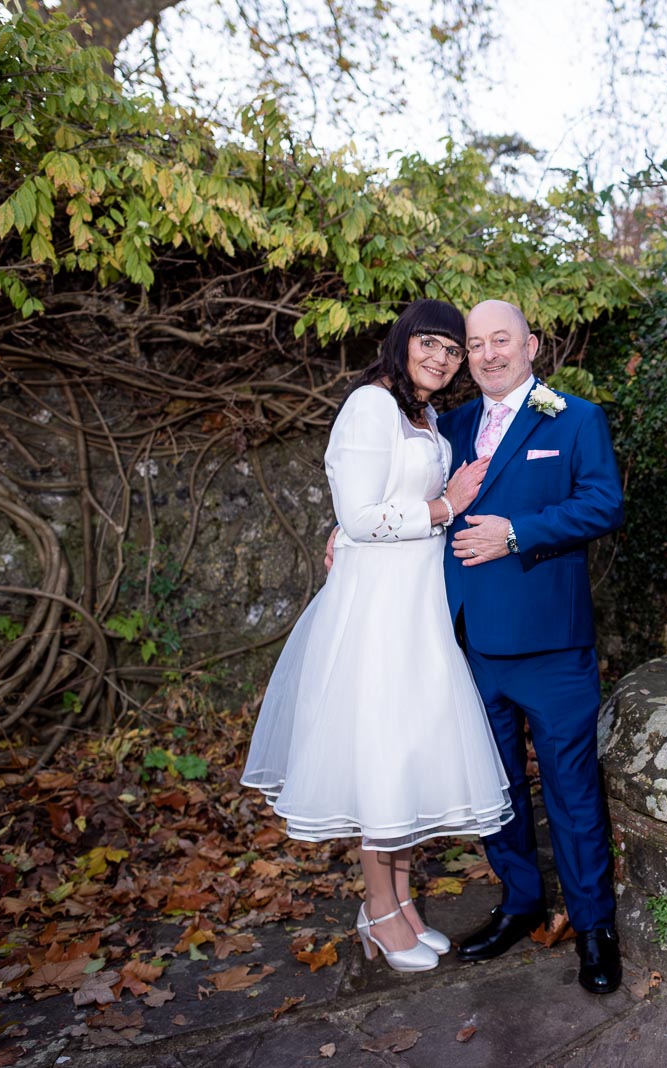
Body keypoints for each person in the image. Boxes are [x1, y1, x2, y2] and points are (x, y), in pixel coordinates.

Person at [243, 299, 512, 975]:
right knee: (382, 761)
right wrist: (447, 504)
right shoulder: (369, 405)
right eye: (431, 343)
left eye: (453, 350)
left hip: (416, 605)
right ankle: (379, 909)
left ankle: (397, 901)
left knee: (407, 757)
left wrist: (439, 508)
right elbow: (359, 517)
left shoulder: (420, 414)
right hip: (378, 613)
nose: (442, 358)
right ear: (402, 342)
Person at [444, 300, 625, 995]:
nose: (488, 354)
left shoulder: (574, 418)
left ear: (531, 345)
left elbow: (603, 504)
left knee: (573, 793)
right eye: (475, 343)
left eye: (501, 340)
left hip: (552, 645)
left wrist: (515, 532)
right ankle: (519, 903)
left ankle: (594, 926)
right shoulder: (451, 425)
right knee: (494, 792)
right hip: (468, 646)